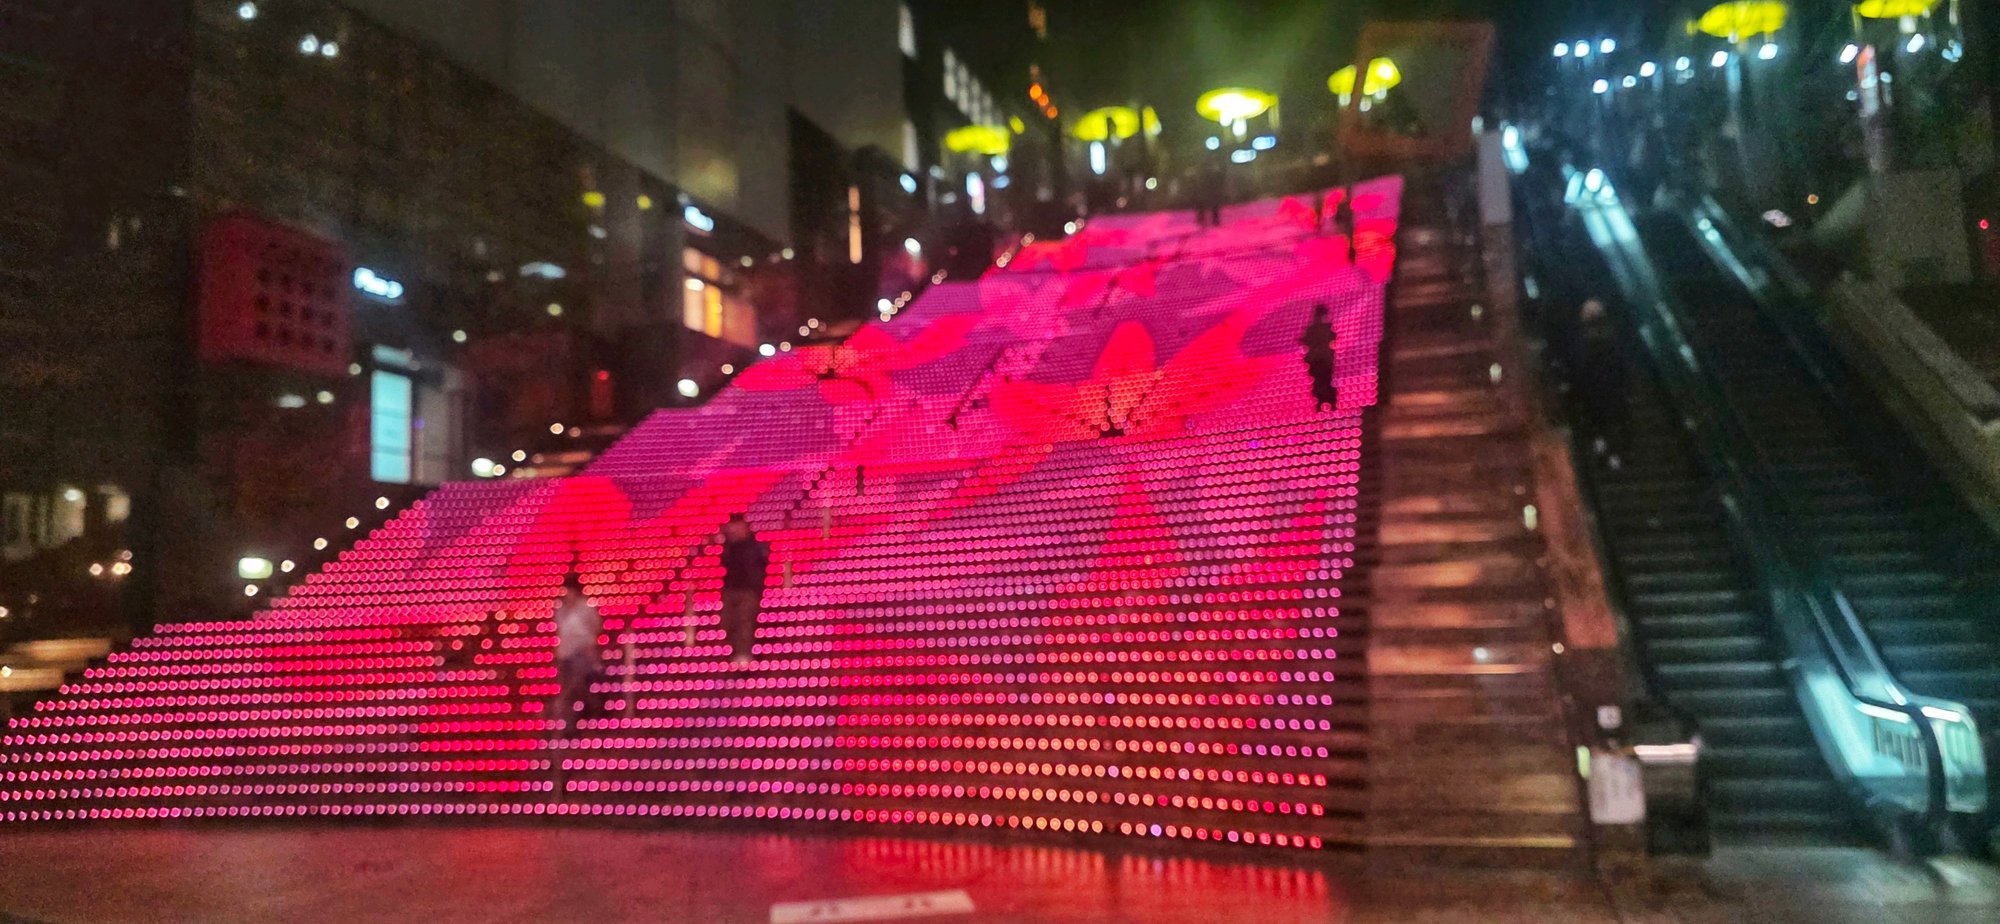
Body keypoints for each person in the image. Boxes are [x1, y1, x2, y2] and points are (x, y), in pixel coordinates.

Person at [1569, 298, 1629, 469]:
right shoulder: (1612, 337)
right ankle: (1614, 458)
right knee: (1610, 424)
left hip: (1593, 391)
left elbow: (1580, 365)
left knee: (1597, 426)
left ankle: (1601, 453)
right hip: (1611, 390)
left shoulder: (1583, 340)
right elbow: (1621, 365)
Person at [551, 573, 604, 731]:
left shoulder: (586, 608)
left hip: (582, 652)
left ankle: (592, 717)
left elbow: (595, 628)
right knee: (569, 689)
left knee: (578, 687)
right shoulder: (560, 610)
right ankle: (571, 724)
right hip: (565, 653)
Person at [718, 513, 771, 665]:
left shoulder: (754, 545)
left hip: (749, 589)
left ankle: (744, 654)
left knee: (745, 620)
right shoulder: (728, 546)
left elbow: (762, 562)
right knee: (727, 622)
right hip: (730, 589)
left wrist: (757, 586)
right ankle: (736, 652)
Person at [1300, 304, 1339, 413]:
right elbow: (1333, 337)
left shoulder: (1311, 329)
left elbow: (1305, 341)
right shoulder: (1327, 327)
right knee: (1326, 380)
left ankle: (1322, 403)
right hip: (1323, 358)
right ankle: (1331, 402)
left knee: (1319, 382)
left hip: (1315, 359)